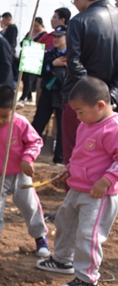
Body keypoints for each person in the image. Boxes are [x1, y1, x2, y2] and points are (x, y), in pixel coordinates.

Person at [36, 76, 118, 286]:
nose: (78, 116)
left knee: (88, 235)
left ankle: (88, 278)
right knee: (65, 223)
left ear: (100, 105)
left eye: (80, 111)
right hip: (77, 188)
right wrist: (70, 168)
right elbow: (80, 153)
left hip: (98, 194)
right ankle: (62, 260)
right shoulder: (86, 125)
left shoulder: (113, 128)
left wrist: (107, 179)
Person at [0, 85, 50, 257]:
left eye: (4, 116)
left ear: (13, 109)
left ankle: (40, 237)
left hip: (20, 175)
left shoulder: (21, 123)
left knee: (30, 205)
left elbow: (35, 142)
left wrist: (27, 158)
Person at [61, 0, 118, 167]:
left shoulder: (79, 21)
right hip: (111, 102)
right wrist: (111, 97)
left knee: (76, 156)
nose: (74, 3)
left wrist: (88, 95)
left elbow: (73, 62)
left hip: (79, 101)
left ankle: (76, 192)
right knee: (110, 157)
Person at [32, 25, 68, 164]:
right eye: (55, 36)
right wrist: (52, 64)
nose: (56, 39)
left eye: (60, 36)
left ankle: (59, 158)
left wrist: (58, 69)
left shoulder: (72, 55)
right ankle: (30, 152)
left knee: (62, 127)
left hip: (61, 94)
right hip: (47, 93)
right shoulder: (49, 54)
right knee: (38, 123)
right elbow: (40, 70)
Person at [17, 17, 47, 106]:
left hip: (35, 60)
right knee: (24, 78)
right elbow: (22, 43)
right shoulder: (30, 33)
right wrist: (27, 41)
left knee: (29, 79)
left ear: (41, 25)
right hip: (26, 59)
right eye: (33, 26)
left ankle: (23, 97)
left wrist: (33, 43)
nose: (35, 28)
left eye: (37, 26)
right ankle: (29, 97)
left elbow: (42, 46)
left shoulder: (44, 35)